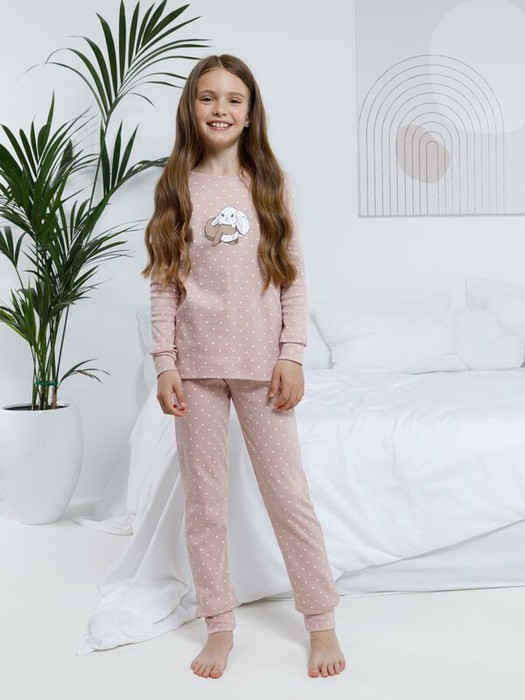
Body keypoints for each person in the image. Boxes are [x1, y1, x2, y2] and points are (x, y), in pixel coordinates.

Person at [142, 54, 346, 680]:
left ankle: (321, 621)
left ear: (251, 112)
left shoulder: (268, 184)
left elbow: (293, 276)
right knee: (205, 505)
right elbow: (163, 284)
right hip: (196, 370)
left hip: (263, 367)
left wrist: (292, 354)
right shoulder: (176, 187)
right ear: (191, 108)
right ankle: (218, 624)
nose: (221, 109)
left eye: (234, 99)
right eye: (208, 97)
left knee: (288, 496)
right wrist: (165, 363)